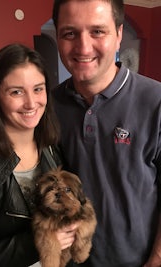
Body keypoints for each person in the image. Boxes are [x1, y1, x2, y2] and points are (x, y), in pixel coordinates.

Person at [52, 0, 161, 266]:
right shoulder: (48, 105)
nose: (83, 47)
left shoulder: (156, 100)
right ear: (57, 37)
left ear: (119, 34)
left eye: (97, 31)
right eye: (70, 33)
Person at [0, 43, 77, 267]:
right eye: (16, 92)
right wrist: (40, 240)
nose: (31, 103)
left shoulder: (52, 147)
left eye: (38, 89)